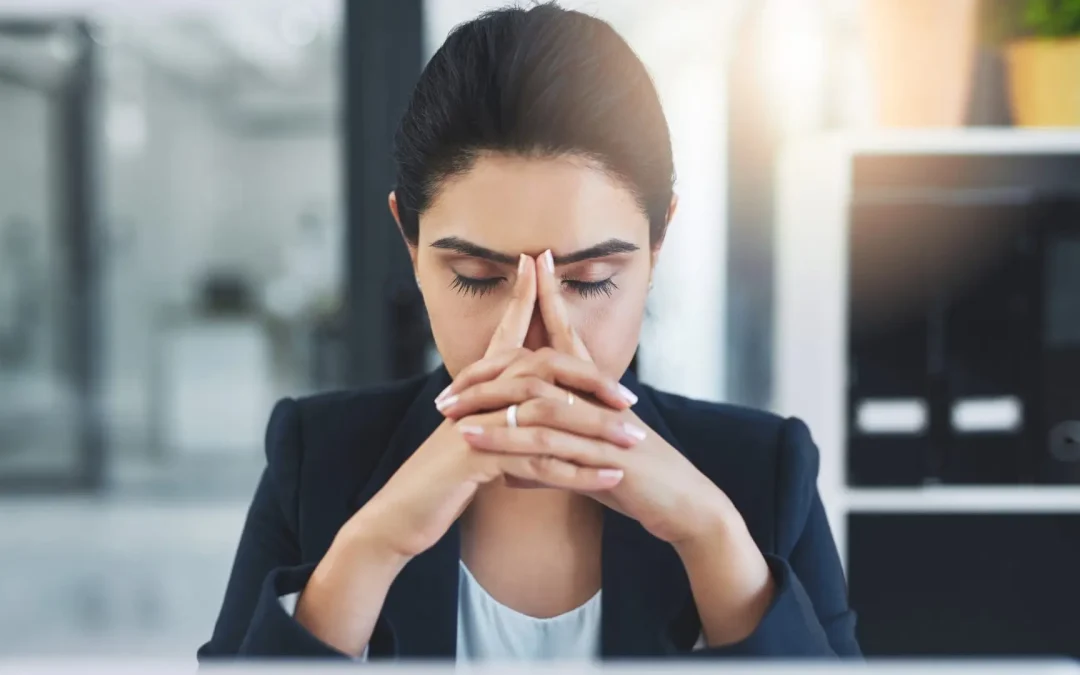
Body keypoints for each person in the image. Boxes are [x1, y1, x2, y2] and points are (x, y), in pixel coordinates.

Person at [198, 3, 860, 662]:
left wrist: (714, 540)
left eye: (592, 278)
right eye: (478, 277)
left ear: (656, 248)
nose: (535, 339)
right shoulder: (316, 460)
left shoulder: (762, 474)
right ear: (411, 243)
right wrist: (372, 547)